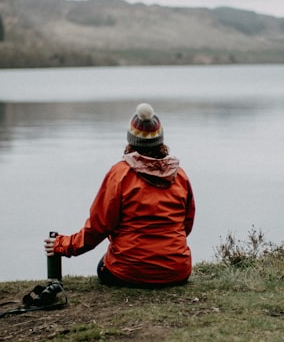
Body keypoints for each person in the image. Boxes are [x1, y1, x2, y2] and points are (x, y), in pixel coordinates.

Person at [45, 103, 195, 288]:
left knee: (104, 264)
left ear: (131, 141)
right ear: (161, 141)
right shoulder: (179, 175)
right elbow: (186, 225)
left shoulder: (120, 174)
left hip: (128, 273)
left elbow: (98, 228)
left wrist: (63, 245)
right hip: (176, 272)